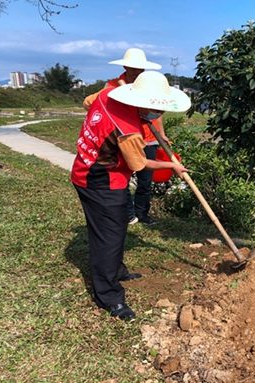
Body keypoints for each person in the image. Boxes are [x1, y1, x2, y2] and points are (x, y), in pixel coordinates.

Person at [71, 71, 191, 320]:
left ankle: (117, 269)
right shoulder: (128, 130)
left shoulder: (106, 94)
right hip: (100, 179)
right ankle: (109, 296)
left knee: (114, 231)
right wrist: (171, 166)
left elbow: (87, 102)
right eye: (157, 109)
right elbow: (139, 164)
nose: (160, 114)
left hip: (87, 165)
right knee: (108, 236)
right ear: (142, 103)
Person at [84, 48, 169, 226]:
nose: (138, 72)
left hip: (147, 138)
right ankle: (129, 214)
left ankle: (143, 213)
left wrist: (162, 134)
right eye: (134, 68)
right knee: (123, 177)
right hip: (124, 138)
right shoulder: (113, 86)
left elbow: (156, 112)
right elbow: (94, 104)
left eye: (141, 69)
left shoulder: (148, 86)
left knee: (145, 180)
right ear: (125, 66)